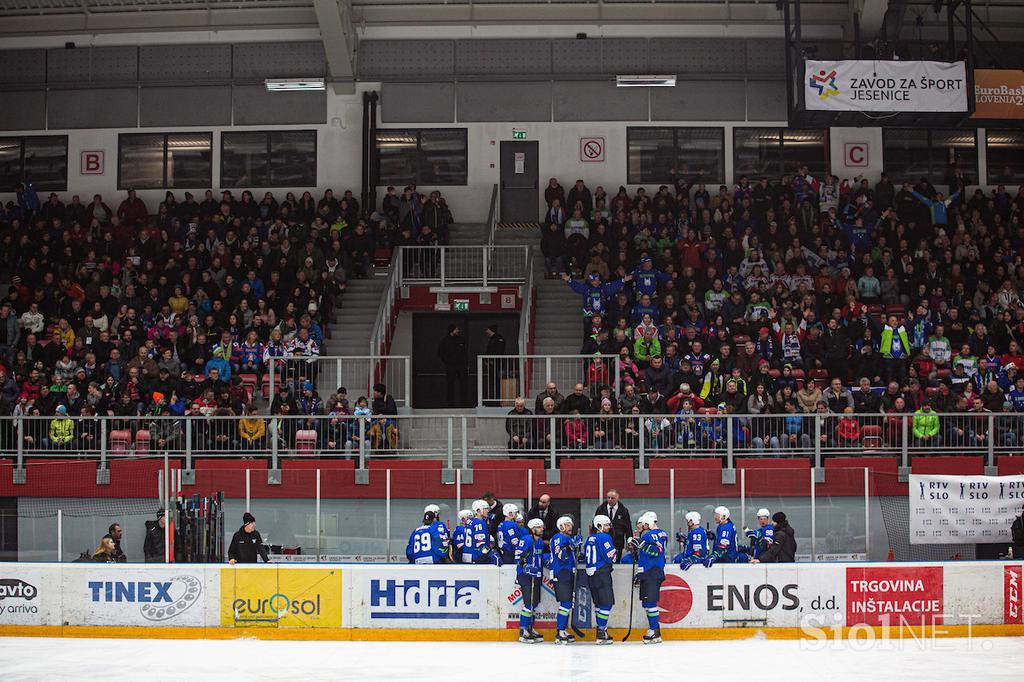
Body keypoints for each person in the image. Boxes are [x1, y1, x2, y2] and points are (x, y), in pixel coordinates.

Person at [626, 511, 667, 644]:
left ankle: (654, 631)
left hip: (652, 572)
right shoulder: (650, 535)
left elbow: (656, 551)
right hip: (648, 572)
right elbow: (645, 554)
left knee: (650, 603)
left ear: (646, 524)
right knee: (647, 603)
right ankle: (655, 630)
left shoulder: (650, 535)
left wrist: (641, 544)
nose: (637, 525)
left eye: (640, 523)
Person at [585, 514, 618, 644]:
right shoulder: (604, 537)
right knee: (606, 603)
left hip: (591, 575)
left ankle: (600, 631)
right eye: (606, 524)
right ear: (599, 526)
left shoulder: (590, 538)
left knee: (599, 604)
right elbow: (611, 557)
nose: (609, 527)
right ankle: (601, 632)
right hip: (602, 573)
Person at [515, 518, 546, 643]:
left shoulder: (540, 543)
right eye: (539, 527)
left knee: (534, 603)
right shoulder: (526, 539)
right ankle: (523, 631)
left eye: (542, 527)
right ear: (532, 529)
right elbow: (518, 556)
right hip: (526, 576)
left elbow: (540, 557)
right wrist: (526, 567)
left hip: (536, 575)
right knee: (528, 604)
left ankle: (530, 627)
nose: (542, 529)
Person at [550, 515, 580, 645]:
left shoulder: (566, 538)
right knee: (565, 604)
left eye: (571, 525)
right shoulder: (559, 538)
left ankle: (563, 630)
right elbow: (561, 555)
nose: (570, 527)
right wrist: (572, 545)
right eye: (568, 524)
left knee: (567, 604)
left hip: (567, 573)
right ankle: (560, 631)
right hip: (561, 573)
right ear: (561, 526)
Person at [595, 489, 631, 560]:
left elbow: (628, 527)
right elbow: (595, 525)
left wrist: (629, 540)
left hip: (618, 542)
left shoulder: (623, 510)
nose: (610, 500)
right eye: (608, 497)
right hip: (602, 541)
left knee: (616, 562)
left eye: (612, 498)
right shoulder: (601, 509)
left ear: (617, 498)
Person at [437, 324, 468, 407]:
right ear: (452, 330)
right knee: (450, 384)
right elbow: (440, 353)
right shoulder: (445, 341)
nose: (458, 331)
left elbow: (465, 352)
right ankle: (450, 402)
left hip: (461, 365)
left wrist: (464, 362)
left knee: (463, 383)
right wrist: (447, 361)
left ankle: (464, 402)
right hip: (451, 366)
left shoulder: (462, 340)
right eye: (456, 329)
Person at [463, 499, 495, 564]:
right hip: (476, 557)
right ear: (478, 510)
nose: (488, 511)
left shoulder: (469, 521)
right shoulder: (479, 523)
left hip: (467, 555)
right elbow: (480, 544)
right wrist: (490, 552)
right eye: (485, 509)